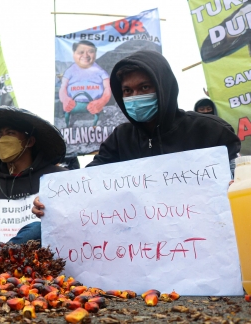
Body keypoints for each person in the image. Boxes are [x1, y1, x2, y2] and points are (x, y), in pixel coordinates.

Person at [33, 50, 241, 219]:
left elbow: (237, 182)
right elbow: (87, 181)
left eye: (144, 87)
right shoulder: (120, 139)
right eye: (127, 91)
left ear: (163, 87)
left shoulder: (211, 131)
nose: (135, 97)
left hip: (199, 241)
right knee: (34, 231)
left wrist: (236, 186)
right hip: (140, 248)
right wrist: (52, 200)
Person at [0, 106, 67, 253]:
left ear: (29, 141)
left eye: (10, 133)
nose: (3, 140)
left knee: (38, 228)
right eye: (0, 135)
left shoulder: (57, 177)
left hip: (32, 254)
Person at [59, 40, 111, 126]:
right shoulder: (69, 71)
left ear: (95, 53)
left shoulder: (101, 72)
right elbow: (63, 87)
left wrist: (102, 101)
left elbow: (108, 88)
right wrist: (65, 99)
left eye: (90, 51)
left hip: (95, 108)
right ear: (74, 54)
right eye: (81, 52)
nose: (85, 55)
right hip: (73, 106)